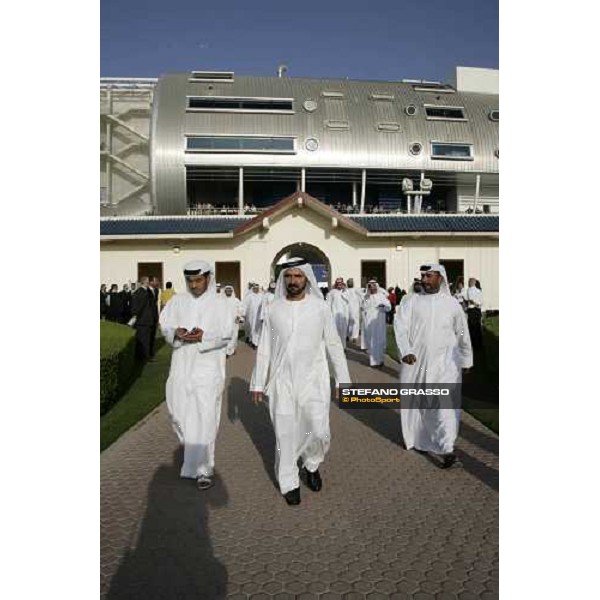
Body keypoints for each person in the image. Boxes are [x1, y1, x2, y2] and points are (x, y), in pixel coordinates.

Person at [250, 258, 351, 506]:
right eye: (288, 277)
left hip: (314, 379)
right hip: (281, 379)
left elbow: (333, 344)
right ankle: (289, 481)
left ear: (307, 279)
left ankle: (312, 463)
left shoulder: (320, 307)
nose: (293, 281)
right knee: (285, 433)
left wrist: (343, 379)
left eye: (297, 276)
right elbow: (265, 347)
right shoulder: (273, 309)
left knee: (317, 429)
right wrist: (257, 382)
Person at [159, 260, 233, 489]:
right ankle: (193, 458)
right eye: (190, 280)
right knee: (178, 412)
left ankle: (203, 469)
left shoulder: (221, 303)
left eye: (198, 280)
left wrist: (203, 336)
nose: (194, 285)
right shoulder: (177, 301)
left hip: (208, 367)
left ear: (208, 278)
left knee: (205, 416)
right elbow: (165, 325)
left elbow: (227, 333)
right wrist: (176, 333)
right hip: (181, 365)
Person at [394, 264, 473, 468]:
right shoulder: (411, 302)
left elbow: (462, 332)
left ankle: (447, 448)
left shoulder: (452, 304)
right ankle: (419, 439)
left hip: (446, 363)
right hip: (416, 362)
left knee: (445, 406)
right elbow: (400, 327)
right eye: (423, 276)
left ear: (441, 278)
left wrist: (466, 358)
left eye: (429, 276)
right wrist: (406, 351)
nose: (425, 280)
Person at [361, 280, 391, 367]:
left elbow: (388, 306)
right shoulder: (366, 297)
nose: (372, 288)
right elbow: (363, 308)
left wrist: (383, 307)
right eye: (370, 286)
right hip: (369, 323)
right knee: (371, 341)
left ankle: (380, 360)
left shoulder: (381, 296)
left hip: (379, 323)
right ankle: (373, 361)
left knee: (380, 340)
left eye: (374, 285)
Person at [129, 277, 157, 360]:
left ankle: (144, 355)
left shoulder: (146, 292)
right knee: (143, 340)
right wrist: (134, 316)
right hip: (143, 320)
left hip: (146, 319)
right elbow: (137, 307)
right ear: (144, 282)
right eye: (148, 281)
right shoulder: (141, 292)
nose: (149, 283)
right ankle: (144, 356)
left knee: (145, 339)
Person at [326, 277, 350, 349]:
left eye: (341, 283)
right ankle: (336, 348)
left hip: (344, 315)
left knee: (343, 333)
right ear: (336, 284)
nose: (339, 285)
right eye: (338, 283)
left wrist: (344, 291)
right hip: (334, 315)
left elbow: (349, 300)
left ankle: (343, 347)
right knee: (335, 332)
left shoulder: (347, 292)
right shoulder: (331, 293)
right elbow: (328, 303)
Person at [222, 285, 244, 356]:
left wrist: (238, 316)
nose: (228, 291)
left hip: (234, 322)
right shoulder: (221, 300)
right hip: (224, 323)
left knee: (234, 336)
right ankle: (226, 351)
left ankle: (231, 349)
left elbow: (241, 309)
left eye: (230, 290)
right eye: (227, 290)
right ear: (225, 291)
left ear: (232, 291)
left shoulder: (236, 300)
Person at [465, 277, 484, 349]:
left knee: (471, 327)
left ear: (471, 283)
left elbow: (469, 299)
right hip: (477, 310)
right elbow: (481, 302)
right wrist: (477, 304)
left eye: (469, 282)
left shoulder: (469, 290)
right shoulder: (479, 291)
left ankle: (473, 343)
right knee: (477, 327)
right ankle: (479, 344)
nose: (468, 283)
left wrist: (474, 303)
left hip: (472, 310)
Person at [242, 283, 263, 347]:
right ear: (253, 289)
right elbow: (244, 305)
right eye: (255, 288)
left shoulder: (261, 296)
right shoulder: (249, 296)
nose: (256, 289)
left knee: (258, 328)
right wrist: (243, 314)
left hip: (259, 316)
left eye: (257, 288)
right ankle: (252, 340)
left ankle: (255, 342)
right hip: (251, 316)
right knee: (251, 327)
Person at [346, 278, 362, 344]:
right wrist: (361, 306)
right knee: (355, 323)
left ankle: (349, 335)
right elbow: (361, 298)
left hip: (349, 309)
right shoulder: (356, 290)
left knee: (349, 323)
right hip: (354, 309)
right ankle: (354, 336)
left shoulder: (345, 291)